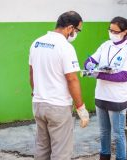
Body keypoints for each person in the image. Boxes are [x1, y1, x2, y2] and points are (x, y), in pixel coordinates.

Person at [29, 11, 89, 160]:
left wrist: (36, 92)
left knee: (42, 148)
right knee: (61, 152)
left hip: (38, 103)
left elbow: (31, 72)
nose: (76, 34)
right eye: (77, 30)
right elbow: (72, 79)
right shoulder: (65, 47)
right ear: (70, 28)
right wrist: (81, 108)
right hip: (58, 107)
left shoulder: (37, 42)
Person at [83, 16, 127, 160]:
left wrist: (98, 75)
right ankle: (104, 157)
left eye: (115, 31)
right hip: (101, 96)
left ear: (124, 32)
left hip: (117, 99)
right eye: (110, 30)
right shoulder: (106, 45)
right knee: (103, 132)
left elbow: (123, 76)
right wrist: (88, 65)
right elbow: (90, 60)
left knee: (118, 135)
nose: (112, 33)